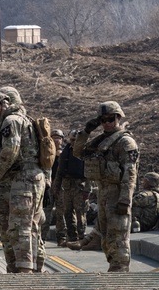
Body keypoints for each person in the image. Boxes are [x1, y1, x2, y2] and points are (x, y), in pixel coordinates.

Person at [0, 90, 46, 273]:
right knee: (9, 228)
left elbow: (10, 152)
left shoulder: (12, 121)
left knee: (21, 228)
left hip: (24, 180)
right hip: (10, 182)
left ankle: (25, 273)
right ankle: (17, 269)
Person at [73, 101, 139, 272]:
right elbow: (79, 152)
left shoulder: (126, 142)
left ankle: (120, 270)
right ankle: (114, 268)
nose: (107, 123)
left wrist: (125, 199)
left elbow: (130, 174)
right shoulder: (101, 141)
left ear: (118, 117)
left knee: (118, 237)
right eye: (103, 120)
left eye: (110, 119)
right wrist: (86, 131)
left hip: (117, 195)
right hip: (103, 193)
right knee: (107, 238)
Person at [55, 128, 88, 247]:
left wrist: (87, 190)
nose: (74, 142)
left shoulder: (85, 152)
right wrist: (56, 187)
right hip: (67, 186)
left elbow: (90, 172)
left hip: (80, 186)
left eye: (76, 140)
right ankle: (72, 237)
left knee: (80, 213)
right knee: (68, 212)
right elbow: (60, 170)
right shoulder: (66, 152)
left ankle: (82, 237)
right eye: (72, 140)